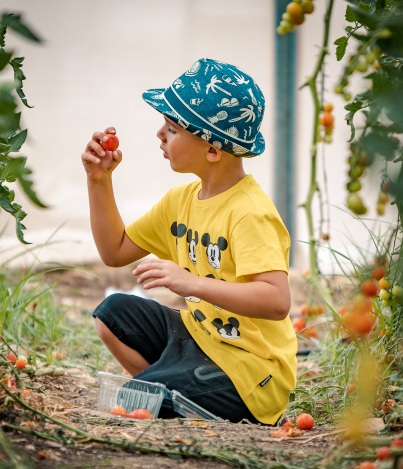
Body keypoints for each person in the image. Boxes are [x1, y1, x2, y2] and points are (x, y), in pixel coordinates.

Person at [80, 58, 296, 425]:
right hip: (200, 336)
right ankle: (172, 387)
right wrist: (99, 181)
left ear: (213, 150)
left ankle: (177, 393)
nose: (160, 135)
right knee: (112, 313)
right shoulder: (180, 201)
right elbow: (114, 251)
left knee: (140, 397)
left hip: (250, 370)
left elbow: (277, 301)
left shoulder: (250, 214)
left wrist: (191, 282)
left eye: (172, 129)